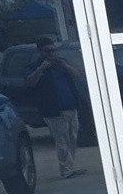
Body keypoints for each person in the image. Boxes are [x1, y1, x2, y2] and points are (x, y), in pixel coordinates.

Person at [27, 37, 86, 179]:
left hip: (71, 107)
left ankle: (70, 167)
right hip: (53, 110)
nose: (51, 53)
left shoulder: (61, 64)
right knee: (62, 141)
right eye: (48, 51)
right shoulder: (35, 66)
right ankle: (66, 170)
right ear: (40, 52)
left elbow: (77, 75)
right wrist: (41, 68)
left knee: (72, 138)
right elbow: (30, 82)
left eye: (54, 50)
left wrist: (64, 65)